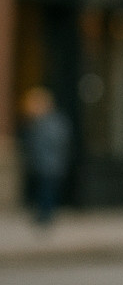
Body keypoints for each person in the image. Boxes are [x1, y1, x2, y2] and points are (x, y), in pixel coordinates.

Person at [20, 86, 70, 228]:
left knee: (47, 190)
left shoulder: (52, 122)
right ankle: (43, 214)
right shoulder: (37, 122)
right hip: (42, 163)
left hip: (50, 164)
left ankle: (46, 215)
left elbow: (57, 142)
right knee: (43, 190)